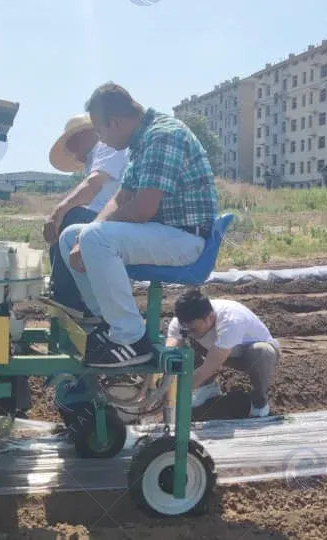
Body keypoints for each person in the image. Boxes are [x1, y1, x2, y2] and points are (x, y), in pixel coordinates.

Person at [59, 82, 218, 368]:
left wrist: (92, 237)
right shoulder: (142, 142)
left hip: (186, 239)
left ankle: (131, 340)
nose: (101, 140)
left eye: (100, 130)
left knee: (95, 237)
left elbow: (143, 208)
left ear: (116, 122)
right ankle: (107, 322)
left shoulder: (164, 136)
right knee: (72, 236)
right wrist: (84, 237)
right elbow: (121, 198)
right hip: (162, 232)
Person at [44, 113, 128, 315]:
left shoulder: (107, 148)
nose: (72, 152)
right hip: (104, 219)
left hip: (115, 219)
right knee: (68, 218)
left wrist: (59, 211)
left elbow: (92, 185)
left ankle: (68, 298)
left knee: (69, 217)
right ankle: (66, 291)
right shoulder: (95, 158)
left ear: (87, 135)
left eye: (72, 144)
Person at [165, 288, 280, 418]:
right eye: (186, 328)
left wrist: (181, 390)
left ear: (210, 317)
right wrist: (162, 379)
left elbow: (210, 366)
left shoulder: (231, 320)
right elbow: (171, 351)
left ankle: (260, 401)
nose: (190, 332)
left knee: (261, 351)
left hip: (247, 355)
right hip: (218, 351)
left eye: (194, 329)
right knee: (185, 343)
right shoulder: (182, 322)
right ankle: (208, 388)